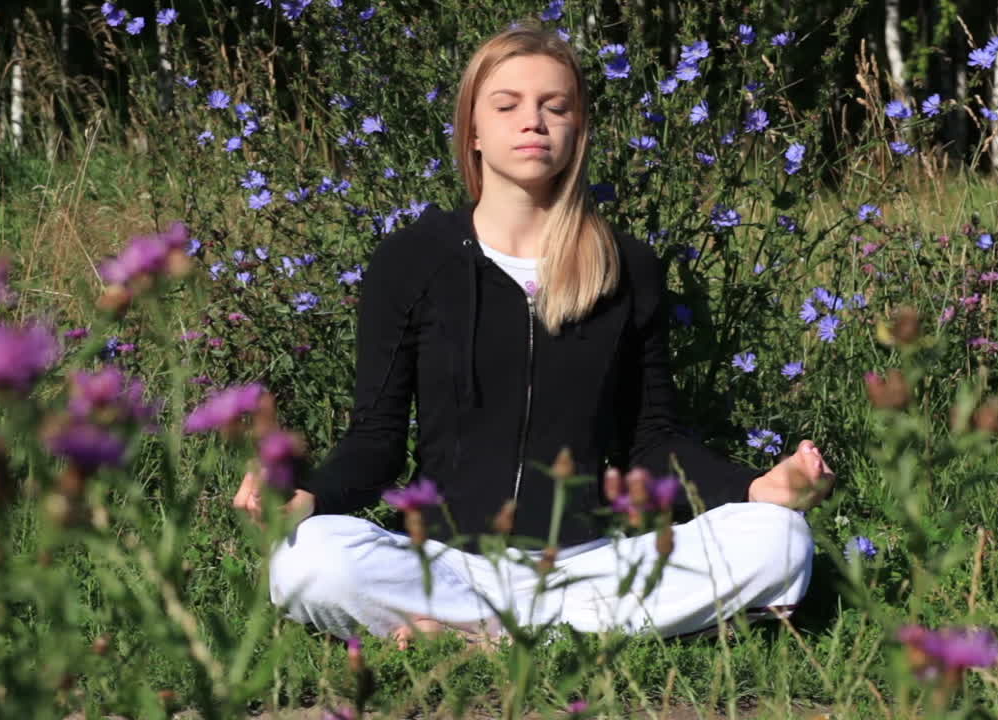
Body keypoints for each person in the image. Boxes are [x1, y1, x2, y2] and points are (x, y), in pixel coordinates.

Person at [234, 21, 835, 650]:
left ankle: (480, 638)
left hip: (589, 566)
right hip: (446, 564)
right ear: (472, 128)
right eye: (508, 105)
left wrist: (755, 488)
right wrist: (308, 497)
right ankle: (556, 636)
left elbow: (652, 440)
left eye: (556, 107)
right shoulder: (412, 260)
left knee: (779, 538)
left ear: (578, 130)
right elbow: (375, 442)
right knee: (308, 560)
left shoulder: (626, 267)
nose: (533, 122)